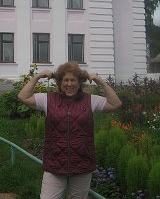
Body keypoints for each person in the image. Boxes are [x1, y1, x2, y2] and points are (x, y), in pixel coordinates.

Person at [18, 61, 122, 199]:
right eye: (65, 80)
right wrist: (38, 76)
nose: (69, 84)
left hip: (82, 165)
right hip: (54, 164)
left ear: (79, 82)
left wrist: (99, 81)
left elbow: (115, 103)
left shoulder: (90, 100)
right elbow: (23, 96)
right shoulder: (48, 99)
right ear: (60, 82)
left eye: (73, 80)